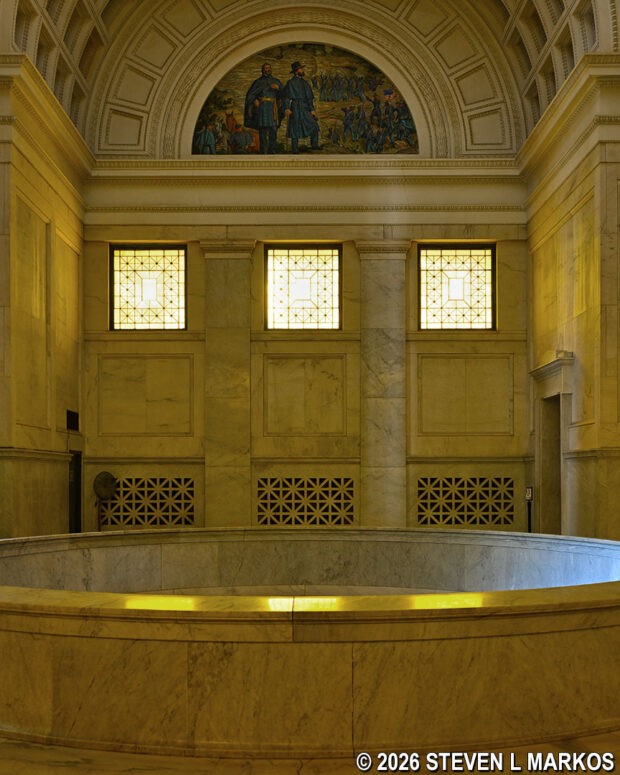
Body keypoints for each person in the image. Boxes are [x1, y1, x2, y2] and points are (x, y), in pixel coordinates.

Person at [244, 63, 283, 154]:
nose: (267, 70)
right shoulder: (258, 82)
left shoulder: (276, 81)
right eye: (265, 68)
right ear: (262, 70)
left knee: (273, 130)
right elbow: (250, 95)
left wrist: (278, 89)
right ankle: (264, 152)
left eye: (269, 68)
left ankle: (272, 151)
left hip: (273, 108)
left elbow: (283, 95)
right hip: (262, 108)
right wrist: (254, 100)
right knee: (262, 131)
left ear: (271, 69)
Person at [282, 61, 320, 154]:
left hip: (305, 107)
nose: (303, 70)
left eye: (302, 68)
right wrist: (287, 108)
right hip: (295, 107)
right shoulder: (290, 83)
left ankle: (314, 145)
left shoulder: (305, 83)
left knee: (314, 125)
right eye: (301, 69)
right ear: (296, 71)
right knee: (295, 128)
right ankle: (295, 149)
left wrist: (312, 110)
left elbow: (309, 98)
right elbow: (286, 97)